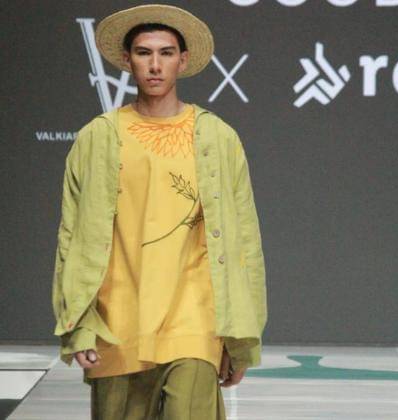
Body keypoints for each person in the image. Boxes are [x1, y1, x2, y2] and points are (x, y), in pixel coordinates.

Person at [51, 4, 267, 419]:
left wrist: (242, 337)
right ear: (127, 60)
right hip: (117, 321)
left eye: (166, 53)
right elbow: (72, 238)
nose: (154, 65)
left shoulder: (218, 138)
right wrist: (78, 322)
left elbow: (245, 240)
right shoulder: (98, 137)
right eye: (143, 53)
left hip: (195, 320)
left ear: (182, 61)